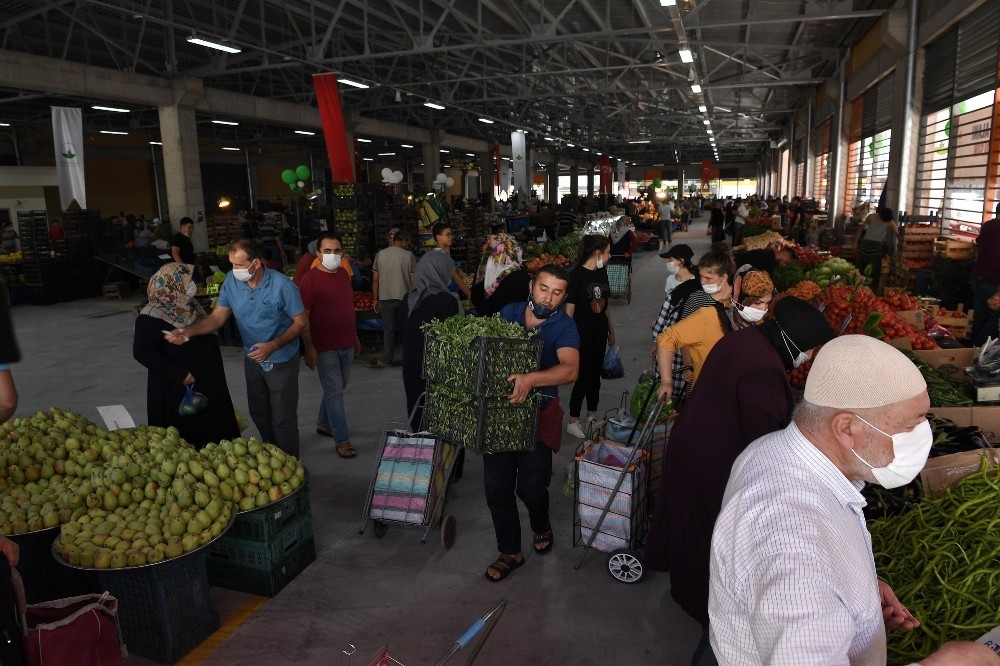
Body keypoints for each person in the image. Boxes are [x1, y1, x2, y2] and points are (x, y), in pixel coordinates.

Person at [708, 335, 1000, 666]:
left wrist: (851, 591)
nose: (924, 435)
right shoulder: (795, 548)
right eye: (911, 424)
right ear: (846, 427)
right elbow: (799, 568)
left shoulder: (773, 450)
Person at [646, 297, 835, 662]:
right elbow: (764, 435)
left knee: (693, 525)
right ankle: (708, 612)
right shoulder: (764, 368)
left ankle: (687, 591)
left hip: (695, 442)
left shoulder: (744, 340)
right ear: (791, 341)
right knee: (711, 536)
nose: (808, 357)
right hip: (715, 459)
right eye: (808, 349)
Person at [164, 240, 307, 456]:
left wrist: (273, 345)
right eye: (232, 264)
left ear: (256, 263)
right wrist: (189, 331)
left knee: (282, 418)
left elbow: (300, 322)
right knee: (260, 414)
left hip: (281, 360)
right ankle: (273, 455)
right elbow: (218, 317)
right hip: (252, 359)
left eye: (239, 265)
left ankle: (291, 464)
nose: (234, 270)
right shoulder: (231, 281)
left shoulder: (282, 286)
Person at [484, 265, 580, 581]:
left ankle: (541, 523)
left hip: (539, 416)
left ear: (564, 296)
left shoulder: (563, 327)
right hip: (501, 416)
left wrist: (531, 379)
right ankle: (509, 551)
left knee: (531, 487)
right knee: (497, 487)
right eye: (543, 289)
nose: (548, 298)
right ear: (531, 286)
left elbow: (569, 370)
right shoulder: (508, 313)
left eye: (556, 293)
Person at [133, 263, 240, 448]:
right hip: (177, 387)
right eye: (186, 281)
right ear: (170, 284)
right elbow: (142, 352)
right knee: (187, 435)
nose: (191, 284)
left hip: (206, 381)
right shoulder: (150, 316)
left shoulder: (188, 305)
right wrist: (178, 373)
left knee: (214, 429)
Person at [299, 234, 361, 459]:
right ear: (318, 254)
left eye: (337, 251)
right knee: (335, 392)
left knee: (337, 388)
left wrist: (354, 336)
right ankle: (342, 440)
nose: (333, 255)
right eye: (327, 250)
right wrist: (309, 348)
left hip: (346, 342)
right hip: (324, 346)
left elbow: (347, 308)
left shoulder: (344, 275)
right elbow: (304, 317)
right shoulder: (310, 279)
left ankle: (323, 423)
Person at [655, 249, 736, 401]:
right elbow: (680, 336)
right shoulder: (696, 299)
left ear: (724, 277)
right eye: (701, 276)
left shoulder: (737, 302)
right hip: (702, 378)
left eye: (708, 278)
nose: (702, 281)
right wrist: (687, 361)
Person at [401, 251, 462, 431]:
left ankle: (423, 455)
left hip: (411, 365)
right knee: (442, 420)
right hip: (437, 369)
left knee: (418, 411)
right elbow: (450, 341)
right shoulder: (446, 300)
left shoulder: (407, 299)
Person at [650, 244, 712, 411]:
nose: (668, 263)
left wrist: (658, 338)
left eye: (670, 260)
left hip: (677, 346)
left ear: (681, 261)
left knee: (675, 386)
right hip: (686, 348)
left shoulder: (691, 289)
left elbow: (666, 320)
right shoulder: (675, 283)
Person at [565, 235, 615, 439]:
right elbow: (569, 311)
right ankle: (573, 420)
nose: (610, 255)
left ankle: (591, 415)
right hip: (581, 334)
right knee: (583, 376)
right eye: (608, 252)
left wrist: (611, 330)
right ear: (597, 253)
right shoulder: (576, 275)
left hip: (599, 332)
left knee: (595, 375)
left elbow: (605, 305)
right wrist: (569, 340)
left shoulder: (602, 272)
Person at [370, 229, 417, 368]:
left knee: (388, 330)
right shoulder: (409, 255)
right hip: (405, 298)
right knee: (406, 329)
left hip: (386, 298)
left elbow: (375, 279)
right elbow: (413, 280)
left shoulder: (381, 254)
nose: (408, 246)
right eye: (408, 243)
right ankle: (407, 357)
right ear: (404, 241)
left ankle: (386, 358)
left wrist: (375, 298)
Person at [971, 202, 1000, 346]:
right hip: (993, 281)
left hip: (978, 278)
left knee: (980, 315)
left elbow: (979, 241)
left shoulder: (987, 225)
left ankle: (971, 349)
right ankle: (979, 348)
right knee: (995, 318)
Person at [854, 207, 900, 293]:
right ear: (880, 215)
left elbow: (897, 234)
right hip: (865, 245)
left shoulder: (890, 222)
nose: (884, 220)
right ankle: (858, 290)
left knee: (874, 272)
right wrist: (856, 242)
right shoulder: (871, 216)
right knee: (860, 269)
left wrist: (904, 238)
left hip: (875, 247)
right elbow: (861, 228)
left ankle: (871, 292)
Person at [725, 265, 775, 331]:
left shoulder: (766, 325)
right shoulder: (724, 322)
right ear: (740, 298)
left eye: (767, 303)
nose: (763, 308)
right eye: (757, 303)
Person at [431, 222, 473, 302]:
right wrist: (469, 294)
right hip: (445, 297)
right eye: (447, 235)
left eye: (451, 234)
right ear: (438, 237)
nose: (451, 237)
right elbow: (456, 278)